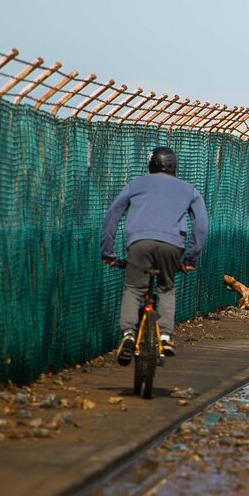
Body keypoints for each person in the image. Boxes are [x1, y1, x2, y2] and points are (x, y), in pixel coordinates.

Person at [100, 146, 208, 364]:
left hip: (139, 242)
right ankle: (166, 336)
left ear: (151, 165)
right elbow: (202, 226)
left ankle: (129, 334)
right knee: (166, 288)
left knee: (134, 289)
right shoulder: (189, 190)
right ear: (174, 166)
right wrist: (190, 258)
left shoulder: (136, 184)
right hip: (172, 244)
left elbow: (112, 216)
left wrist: (108, 252)